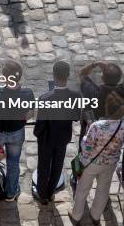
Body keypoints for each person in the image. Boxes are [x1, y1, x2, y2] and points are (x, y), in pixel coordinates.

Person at [70, 89, 124, 224]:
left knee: (82, 189)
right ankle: (96, 216)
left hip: (91, 163)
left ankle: (76, 215)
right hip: (110, 163)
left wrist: (86, 135)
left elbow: (86, 146)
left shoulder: (97, 126)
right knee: (103, 190)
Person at [0, 60, 35, 202]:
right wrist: (21, 120)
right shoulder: (27, 93)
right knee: (13, 163)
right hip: (16, 133)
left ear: (4, 76)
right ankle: (10, 192)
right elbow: (31, 113)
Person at [33, 61, 81, 205]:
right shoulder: (76, 96)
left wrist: (38, 135)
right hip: (63, 137)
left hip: (46, 139)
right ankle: (51, 191)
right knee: (57, 165)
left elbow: (40, 123)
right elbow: (76, 117)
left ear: (53, 75)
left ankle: (42, 195)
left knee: (43, 166)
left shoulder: (44, 98)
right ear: (68, 76)